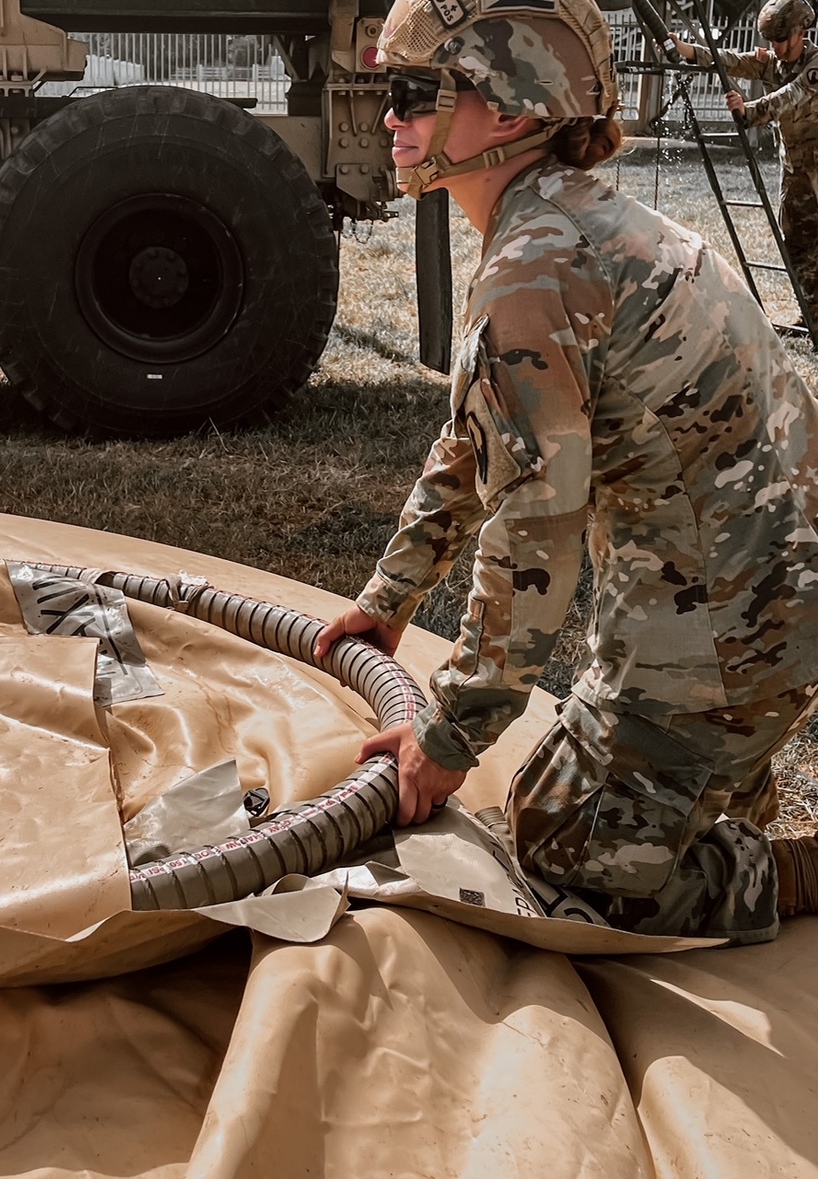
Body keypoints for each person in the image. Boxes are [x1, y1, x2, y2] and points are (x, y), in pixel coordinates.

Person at [314, 0, 818, 945]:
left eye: (418, 93)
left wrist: (448, 736)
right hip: (755, 596)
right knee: (578, 790)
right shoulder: (560, 226)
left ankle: (776, 864)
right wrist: (390, 598)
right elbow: (476, 445)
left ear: (507, 113)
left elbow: (533, 531)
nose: (391, 116)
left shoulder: (534, 270)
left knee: (561, 844)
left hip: (735, 625)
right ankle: (708, 771)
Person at [672, 0, 818, 325]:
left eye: (781, 39)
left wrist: (748, 111)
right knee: (797, 244)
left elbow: (789, 96)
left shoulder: (815, 65)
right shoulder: (774, 61)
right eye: (770, 40)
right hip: (796, 172)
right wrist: (690, 51)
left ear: (801, 33)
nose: (774, 47)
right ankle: (812, 316)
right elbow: (733, 61)